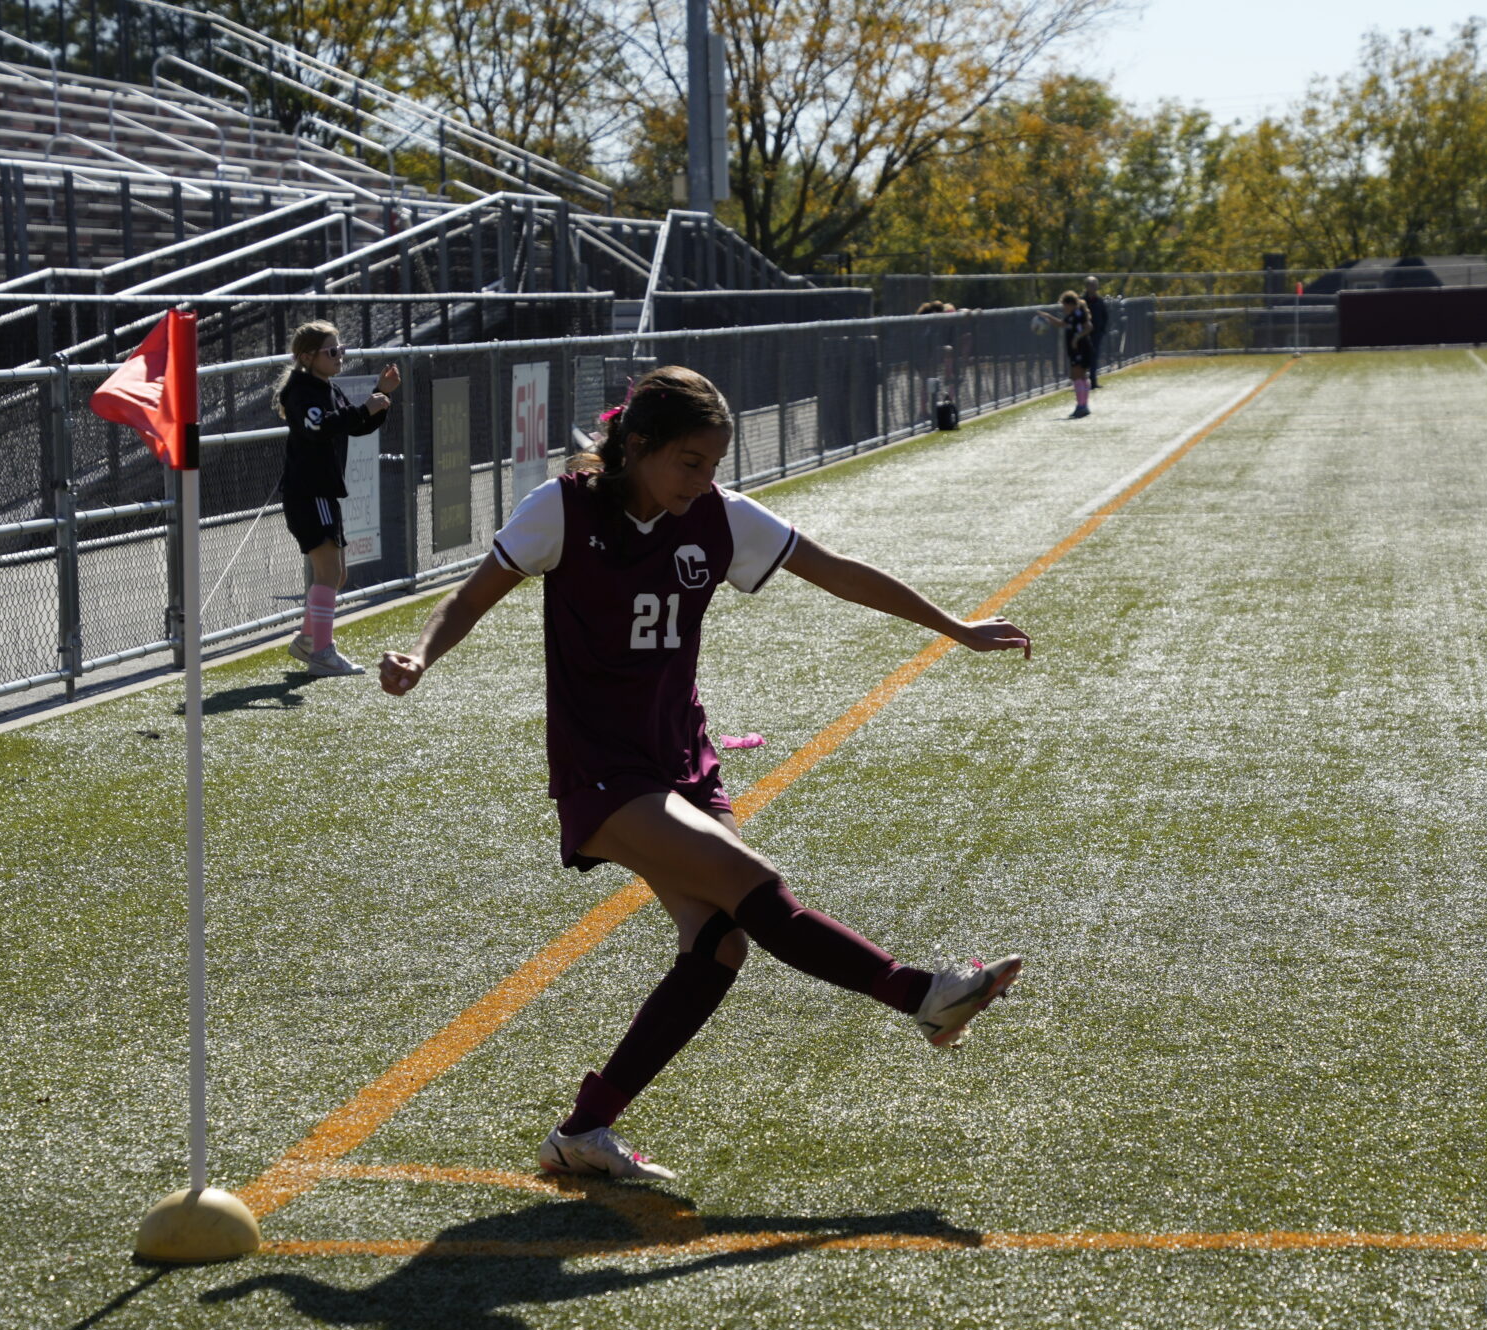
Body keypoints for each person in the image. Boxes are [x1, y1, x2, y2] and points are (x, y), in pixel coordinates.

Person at [376, 366, 1031, 1182]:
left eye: (714, 464)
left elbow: (837, 570)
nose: (703, 480)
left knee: (719, 947)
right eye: (689, 461)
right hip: (602, 770)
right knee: (749, 879)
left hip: (683, 759)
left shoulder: (720, 519)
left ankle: (583, 1132)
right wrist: (422, 654)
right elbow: (473, 597)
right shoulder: (564, 511)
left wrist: (953, 626)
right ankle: (923, 995)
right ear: (638, 447)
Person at [276, 321, 401, 676]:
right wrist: (364, 408)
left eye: (340, 350)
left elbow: (357, 425)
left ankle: (307, 640)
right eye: (332, 352)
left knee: (338, 573)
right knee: (329, 571)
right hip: (308, 492)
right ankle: (322, 653)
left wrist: (381, 395)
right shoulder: (301, 391)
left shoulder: (326, 387)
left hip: (323, 492)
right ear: (307, 357)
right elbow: (319, 427)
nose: (339, 356)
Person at [1032, 291, 1095, 419]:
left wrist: (1076, 338)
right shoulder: (1071, 315)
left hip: (1081, 349)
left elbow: (1088, 327)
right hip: (1077, 349)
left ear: (1070, 304)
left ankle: (1081, 406)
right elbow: (1061, 324)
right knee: (1081, 376)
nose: (1063, 308)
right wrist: (1048, 317)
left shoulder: (1078, 313)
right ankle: (1083, 405)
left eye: (1064, 305)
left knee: (1077, 376)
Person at [1082, 276, 1111, 389]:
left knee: (1094, 357)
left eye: (1095, 285)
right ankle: (1082, 382)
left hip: (1096, 334)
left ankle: (1093, 382)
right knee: (1084, 358)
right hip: (1084, 334)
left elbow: (1105, 316)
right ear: (1087, 287)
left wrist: (1102, 329)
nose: (1094, 287)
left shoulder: (1099, 301)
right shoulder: (1082, 301)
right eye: (1092, 285)